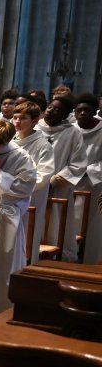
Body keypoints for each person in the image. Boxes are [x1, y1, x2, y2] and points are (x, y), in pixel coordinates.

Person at [0, 118, 36, 314]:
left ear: (6, 141)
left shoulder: (21, 157)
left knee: (3, 264)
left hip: (5, 216)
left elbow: (26, 186)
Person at [38, 95, 87, 262]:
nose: (51, 111)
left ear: (66, 115)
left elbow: (78, 164)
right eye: (50, 107)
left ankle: (56, 261)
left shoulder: (73, 132)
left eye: (57, 109)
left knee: (56, 228)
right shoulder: (35, 129)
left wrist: (53, 181)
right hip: (35, 187)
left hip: (58, 189)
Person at [13, 100, 55, 264]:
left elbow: (44, 175)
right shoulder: (9, 141)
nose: (17, 122)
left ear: (35, 120)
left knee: (27, 239)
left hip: (30, 199)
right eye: (15, 118)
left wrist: (15, 185)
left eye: (22, 118)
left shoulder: (43, 145)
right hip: (7, 198)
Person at [74, 94, 102, 263]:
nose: (83, 113)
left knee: (92, 227)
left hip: (94, 185)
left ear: (94, 111)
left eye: (87, 110)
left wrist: (87, 171)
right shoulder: (71, 130)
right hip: (71, 184)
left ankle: (90, 262)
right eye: (79, 110)